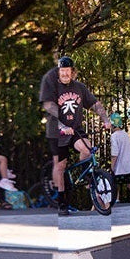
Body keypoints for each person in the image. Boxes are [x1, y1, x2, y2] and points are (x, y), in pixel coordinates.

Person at [39, 56, 112, 200]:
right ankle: (61, 200)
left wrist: (105, 119)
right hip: (57, 131)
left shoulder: (80, 88)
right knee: (61, 165)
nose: (65, 73)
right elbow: (49, 106)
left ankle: (85, 178)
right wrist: (62, 125)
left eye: (68, 70)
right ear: (59, 72)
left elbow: (95, 104)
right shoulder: (54, 87)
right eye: (62, 70)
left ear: (73, 72)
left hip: (75, 129)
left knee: (87, 149)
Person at [109, 112, 130, 203]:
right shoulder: (125, 134)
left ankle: (116, 200)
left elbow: (114, 153)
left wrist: (112, 166)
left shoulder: (114, 136)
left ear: (112, 125)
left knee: (115, 184)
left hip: (121, 166)